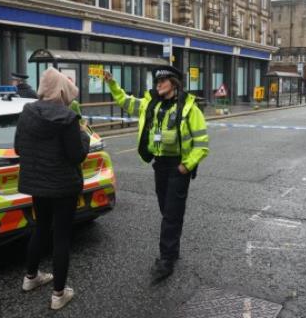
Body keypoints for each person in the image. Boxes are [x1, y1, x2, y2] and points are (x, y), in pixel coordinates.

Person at [104, 65, 209, 282]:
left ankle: (166, 260)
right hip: (159, 165)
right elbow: (125, 102)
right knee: (167, 209)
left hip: (178, 167)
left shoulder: (190, 108)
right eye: (156, 81)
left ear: (174, 83)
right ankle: (173, 249)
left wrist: (186, 165)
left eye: (163, 81)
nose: (158, 84)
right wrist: (112, 84)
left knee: (171, 213)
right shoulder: (150, 104)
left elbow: (202, 144)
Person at [14, 67, 90, 310]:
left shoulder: (27, 112)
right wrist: (84, 136)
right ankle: (58, 294)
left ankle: (31, 278)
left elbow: (18, 148)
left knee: (41, 227)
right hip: (63, 186)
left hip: (37, 185)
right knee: (62, 237)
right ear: (60, 90)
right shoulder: (68, 119)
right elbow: (76, 155)